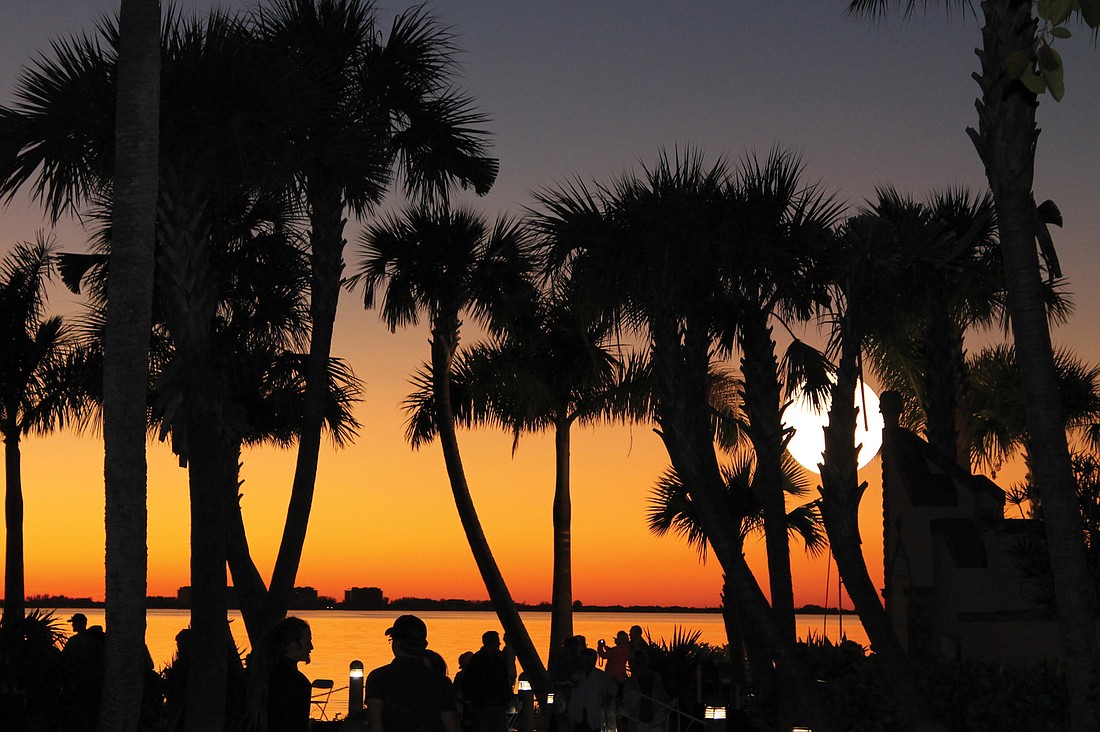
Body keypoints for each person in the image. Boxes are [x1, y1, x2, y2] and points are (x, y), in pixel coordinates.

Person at [364, 614, 459, 732]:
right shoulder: (441, 682)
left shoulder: (378, 677)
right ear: (424, 645)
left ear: (397, 644)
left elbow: (375, 724)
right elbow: (451, 726)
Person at [266, 616, 314, 732]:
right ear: (292, 644)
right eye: (307, 642)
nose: (311, 647)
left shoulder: (265, 673)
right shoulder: (298, 683)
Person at [463, 630, 513, 732]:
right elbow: (470, 681)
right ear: (490, 642)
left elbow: (503, 680)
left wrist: (507, 697)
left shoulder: (499, 658)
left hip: (496, 703)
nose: (499, 644)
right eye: (497, 641)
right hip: (483, 704)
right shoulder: (478, 659)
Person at [569, 648, 616, 732]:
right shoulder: (578, 676)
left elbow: (613, 690)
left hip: (594, 712)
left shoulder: (602, 676)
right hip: (579, 713)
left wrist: (606, 700)